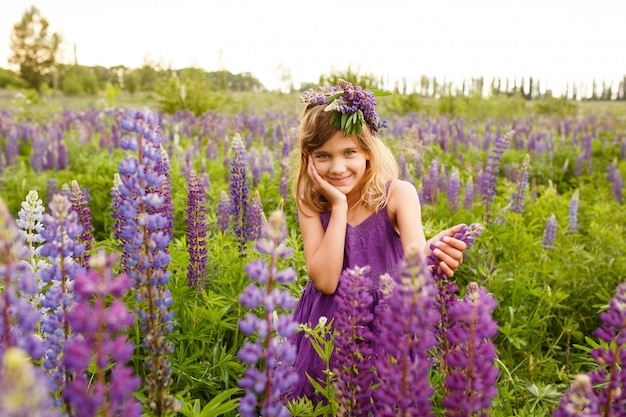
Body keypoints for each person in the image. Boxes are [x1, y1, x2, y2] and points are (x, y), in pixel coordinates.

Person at [289, 80, 468, 400]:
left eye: (349, 152)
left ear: (368, 153)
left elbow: (414, 269)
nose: (338, 167)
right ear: (308, 159)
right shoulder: (310, 202)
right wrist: (339, 207)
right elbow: (327, 281)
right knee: (325, 400)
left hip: (385, 325)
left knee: (380, 400)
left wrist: (436, 251)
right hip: (326, 330)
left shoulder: (398, 194)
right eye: (323, 156)